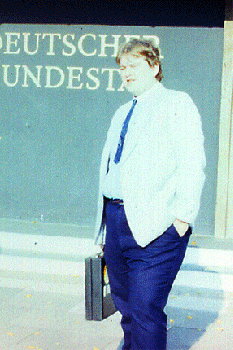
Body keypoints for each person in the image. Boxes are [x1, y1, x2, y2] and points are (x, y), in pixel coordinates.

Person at [94, 38, 206, 349]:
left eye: (133, 65)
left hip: (156, 226)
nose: (125, 72)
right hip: (117, 223)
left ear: (155, 67)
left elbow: (192, 163)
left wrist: (182, 219)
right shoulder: (121, 112)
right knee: (127, 309)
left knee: (145, 309)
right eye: (121, 67)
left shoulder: (176, 103)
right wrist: (105, 227)